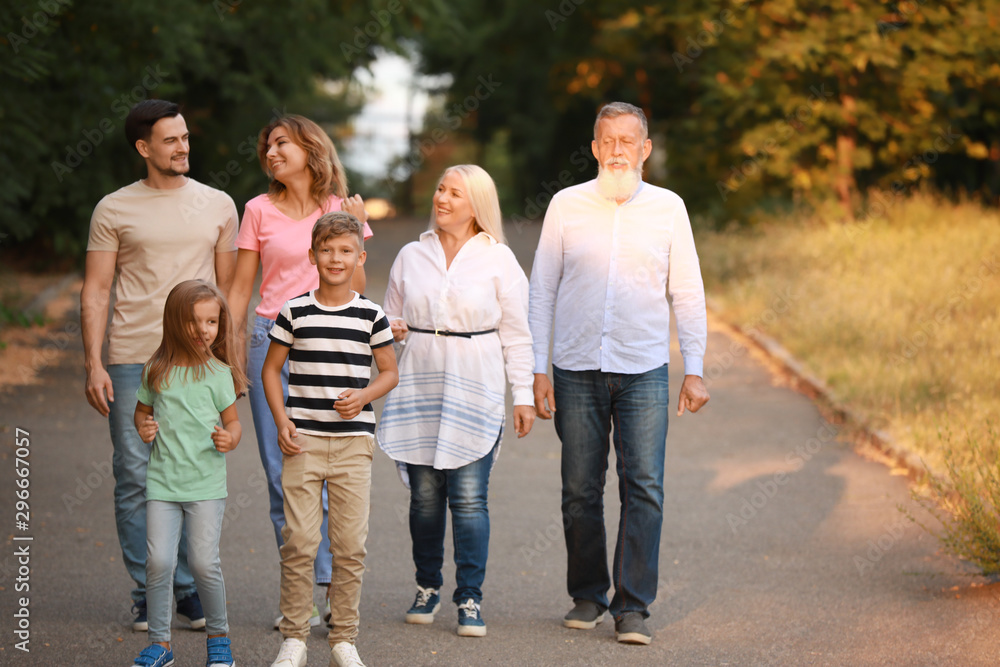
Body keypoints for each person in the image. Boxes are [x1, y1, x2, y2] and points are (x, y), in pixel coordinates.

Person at [528, 102, 710, 645]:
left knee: (644, 487)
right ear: (594, 147)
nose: (616, 150)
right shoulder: (565, 206)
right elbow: (541, 289)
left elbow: (688, 291)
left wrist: (694, 369)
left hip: (644, 368)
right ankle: (588, 594)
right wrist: (535, 368)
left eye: (627, 141)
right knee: (579, 489)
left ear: (645, 149)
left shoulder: (670, 209)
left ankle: (633, 606)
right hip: (576, 367)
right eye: (607, 140)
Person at [81, 99, 238, 631]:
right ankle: (150, 593)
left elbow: (228, 293)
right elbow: (97, 289)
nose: (182, 147)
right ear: (144, 148)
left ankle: (188, 589)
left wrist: (229, 361)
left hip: (197, 360)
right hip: (131, 357)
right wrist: (93, 363)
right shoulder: (114, 209)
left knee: (193, 469)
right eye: (170, 140)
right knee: (134, 473)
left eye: (186, 137)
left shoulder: (218, 204)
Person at [377, 164, 536, 638]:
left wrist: (523, 395)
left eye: (455, 194)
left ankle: (469, 597)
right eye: (441, 189)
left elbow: (517, 334)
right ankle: (427, 586)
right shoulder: (410, 254)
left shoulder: (499, 259)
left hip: (476, 383)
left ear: (476, 206)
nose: (442, 199)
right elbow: (386, 320)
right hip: (420, 380)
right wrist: (393, 330)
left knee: (468, 498)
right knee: (425, 499)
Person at [226, 115, 373, 628]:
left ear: (310, 148)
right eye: (266, 146)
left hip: (331, 346)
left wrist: (355, 223)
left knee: (332, 472)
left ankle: (334, 589)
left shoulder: (341, 208)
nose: (270, 153)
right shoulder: (257, 211)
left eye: (280, 143)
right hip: (272, 345)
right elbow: (241, 290)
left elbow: (357, 282)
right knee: (282, 473)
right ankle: (301, 595)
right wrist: (232, 355)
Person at [262, 213, 397, 667]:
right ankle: (295, 635)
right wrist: (281, 420)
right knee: (299, 539)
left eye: (345, 251)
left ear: (359, 257)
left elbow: (389, 373)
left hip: (353, 444)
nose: (335, 259)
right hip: (302, 441)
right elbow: (269, 369)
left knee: (349, 544)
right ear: (312, 256)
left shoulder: (371, 315)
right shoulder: (294, 311)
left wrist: (363, 397)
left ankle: (343, 637)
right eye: (326, 250)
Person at [129, 280, 247, 667]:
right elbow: (142, 413)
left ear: (220, 324)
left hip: (206, 486)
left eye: (211, 322)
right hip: (162, 484)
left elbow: (234, 423)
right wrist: (143, 426)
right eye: (195, 322)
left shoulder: (219, 373)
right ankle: (160, 644)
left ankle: (219, 638)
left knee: (202, 562)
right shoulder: (156, 370)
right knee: (159, 562)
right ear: (175, 322)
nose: (203, 331)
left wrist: (229, 438)